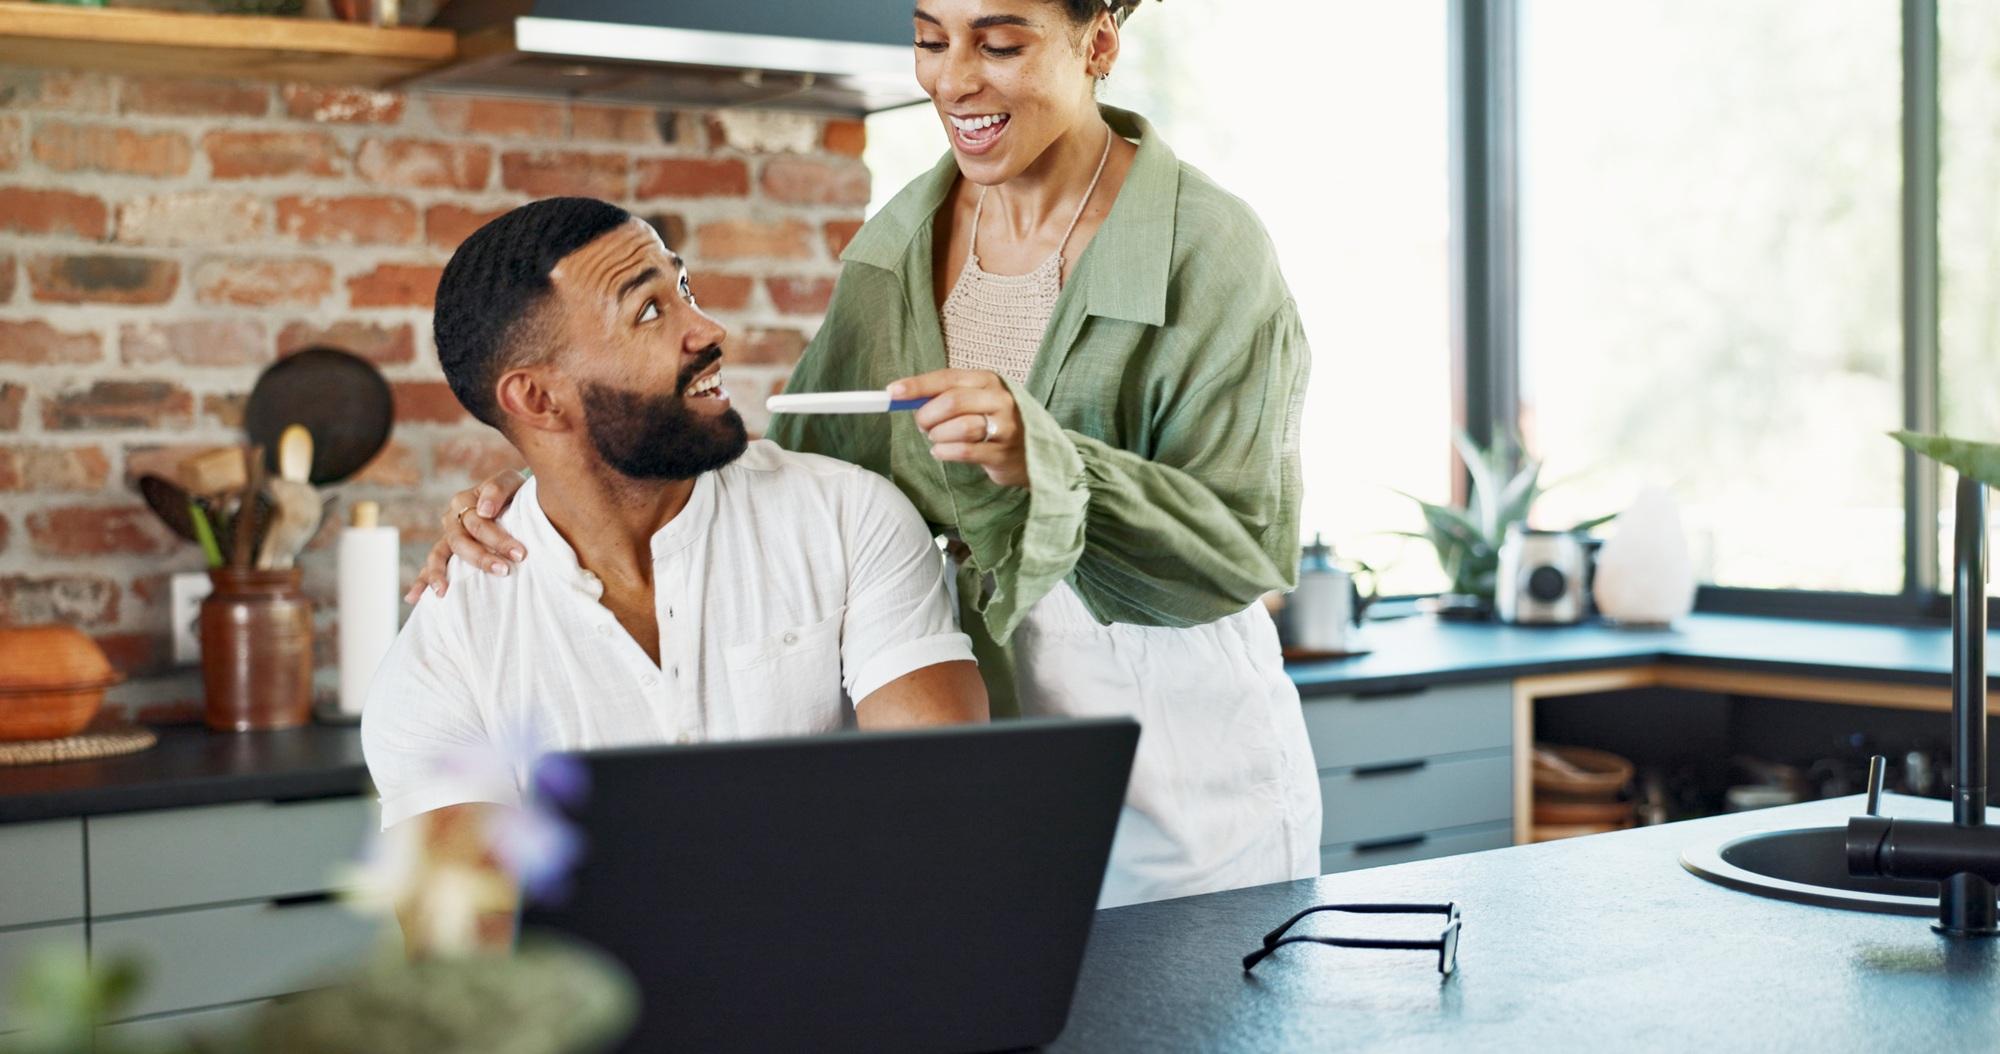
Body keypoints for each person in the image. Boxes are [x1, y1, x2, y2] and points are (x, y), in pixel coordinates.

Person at [412, 0, 1318, 908]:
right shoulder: (898, 250)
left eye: (998, 43)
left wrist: (1045, 463)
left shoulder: (1208, 248)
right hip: (991, 734)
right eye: (929, 40)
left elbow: (1248, 549)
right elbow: (790, 477)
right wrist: (545, 484)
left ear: (1100, 45)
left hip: (1174, 747)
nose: (953, 78)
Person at [365, 197, 988, 950]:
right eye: (649, 312)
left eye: (683, 288)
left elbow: (943, 834)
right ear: (536, 398)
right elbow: (474, 964)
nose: (708, 329)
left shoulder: (849, 517)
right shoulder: (449, 650)